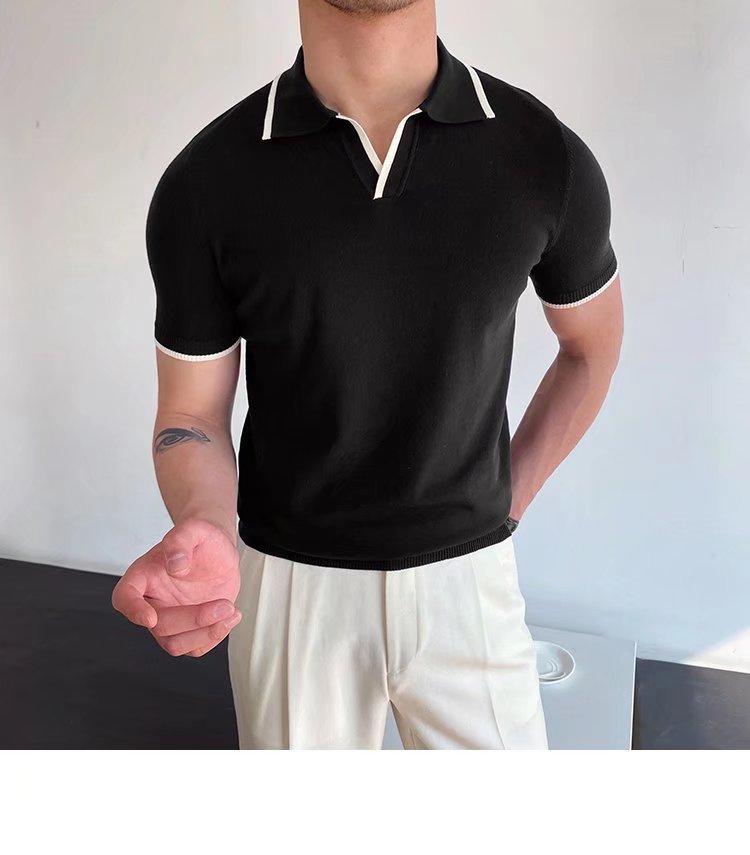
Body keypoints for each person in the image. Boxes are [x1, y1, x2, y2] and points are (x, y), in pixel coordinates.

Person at [112, 0, 623, 749]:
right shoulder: (207, 182)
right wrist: (207, 529)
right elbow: (190, 415)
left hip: (471, 582)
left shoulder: (542, 156)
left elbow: (590, 349)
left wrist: (503, 505)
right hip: (288, 588)